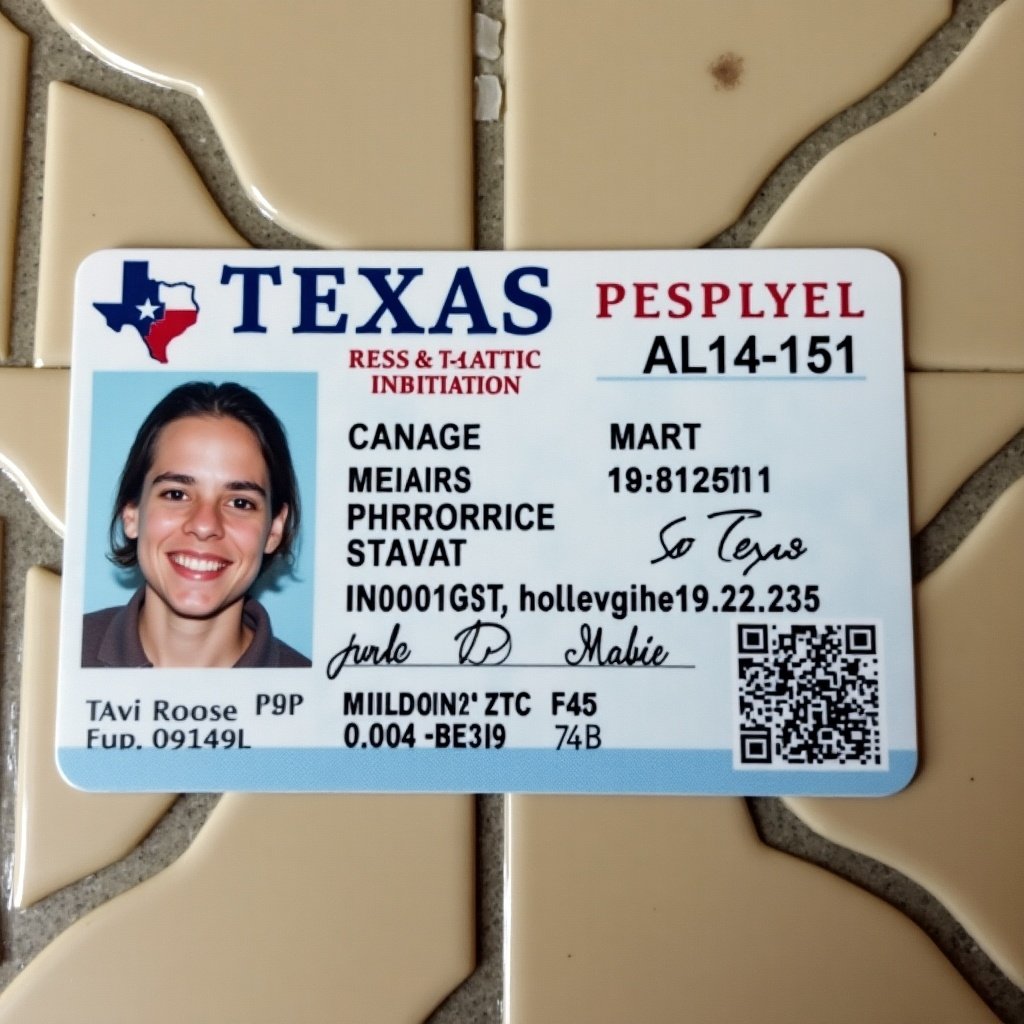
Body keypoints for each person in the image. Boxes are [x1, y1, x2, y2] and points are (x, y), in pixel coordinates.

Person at [82, 381, 311, 668]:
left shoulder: (319, 699)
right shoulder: (55, 656)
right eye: (176, 494)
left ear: (275, 529)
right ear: (132, 513)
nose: (204, 525)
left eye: (240, 502)